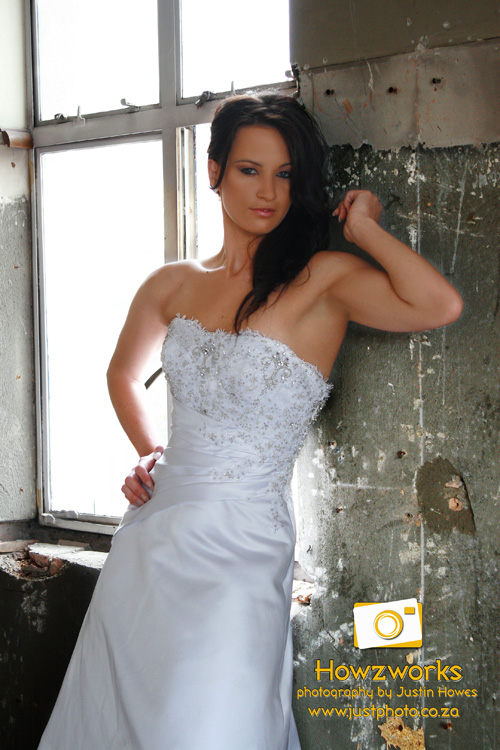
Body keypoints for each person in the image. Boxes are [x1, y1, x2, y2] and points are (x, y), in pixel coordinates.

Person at [38, 94, 463, 750]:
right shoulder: (172, 283)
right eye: (249, 170)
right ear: (214, 171)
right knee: (123, 722)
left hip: (244, 546)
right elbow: (121, 373)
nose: (268, 191)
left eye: (285, 174)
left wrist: (365, 229)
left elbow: (439, 305)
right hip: (153, 539)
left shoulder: (324, 280)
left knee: (207, 726)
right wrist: (150, 451)